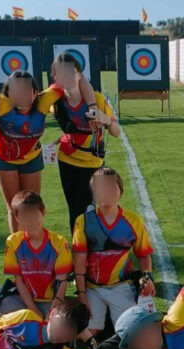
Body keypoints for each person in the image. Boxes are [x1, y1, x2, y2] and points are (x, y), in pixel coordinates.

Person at [0, 70, 97, 234]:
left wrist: (92, 105)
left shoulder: (43, 101)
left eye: (26, 90)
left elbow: (75, 77)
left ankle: (35, 244)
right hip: (4, 158)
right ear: (8, 93)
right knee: (13, 207)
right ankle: (17, 247)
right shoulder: (1, 104)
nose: (22, 95)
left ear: (35, 93)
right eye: (16, 91)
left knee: (33, 205)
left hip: (31, 158)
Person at [72, 167, 155, 337]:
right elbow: (79, 264)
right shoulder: (83, 221)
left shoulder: (133, 221)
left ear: (120, 192)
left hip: (122, 286)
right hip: (92, 288)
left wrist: (147, 279)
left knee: (130, 331)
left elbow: (143, 255)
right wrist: (82, 295)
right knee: (89, 331)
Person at [50, 52, 121, 231]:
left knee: (84, 209)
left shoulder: (96, 99)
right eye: (62, 73)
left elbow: (116, 132)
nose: (67, 77)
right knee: (74, 209)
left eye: (71, 72)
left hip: (91, 163)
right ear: (55, 77)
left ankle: (84, 247)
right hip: (66, 159)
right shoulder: (55, 101)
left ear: (79, 75)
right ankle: (79, 247)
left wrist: (106, 119)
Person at [0, 191, 72, 318]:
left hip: (50, 301)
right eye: (25, 216)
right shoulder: (13, 242)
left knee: (59, 325)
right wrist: (33, 309)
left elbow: (62, 280)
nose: (30, 220)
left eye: (33, 215)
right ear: (17, 218)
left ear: (43, 212)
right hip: (23, 299)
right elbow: (19, 281)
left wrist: (55, 304)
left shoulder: (59, 242)